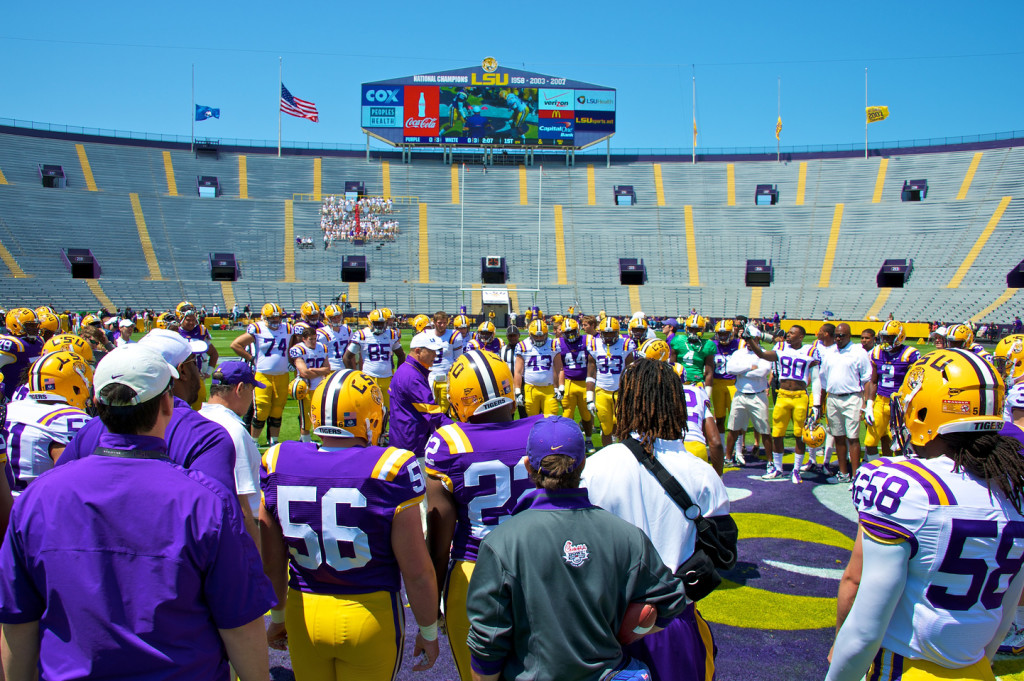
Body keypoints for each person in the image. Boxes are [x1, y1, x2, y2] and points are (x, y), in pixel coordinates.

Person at [0, 343, 275, 680]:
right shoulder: (206, 500)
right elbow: (240, 622)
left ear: (98, 406)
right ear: (167, 404)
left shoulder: (37, 497)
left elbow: (17, 619)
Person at [828, 348, 1024, 681]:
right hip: (976, 668)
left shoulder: (910, 487)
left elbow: (864, 627)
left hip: (906, 667)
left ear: (922, 410)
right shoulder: (1014, 486)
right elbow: (1006, 611)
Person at [466, 415, 690, 681]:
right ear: (582, 464)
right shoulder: (626, 535)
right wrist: (628, 631)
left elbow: (487, 648)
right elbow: (671, 600)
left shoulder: (501, 543)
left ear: (527, 466)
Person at [259, 369, 439, 680]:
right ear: (371, 416)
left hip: (304, 611)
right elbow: (416, 570)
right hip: (369, 613)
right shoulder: (390, 467)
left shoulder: (278, 460)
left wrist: (277, 615)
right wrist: (429, 629)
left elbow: (273, 561)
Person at [583, 359, 734, 680]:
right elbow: (723, 553)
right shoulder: (703, 474)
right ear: (676, 404)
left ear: (626, 401)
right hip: (674, 621)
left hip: (604, 623)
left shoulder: (594, 468)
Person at [424, 350, 541, 681]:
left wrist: (429, 603)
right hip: (542, 567)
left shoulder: (449, 443)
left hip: (476, 571)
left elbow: (438, 541)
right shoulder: (543, 431)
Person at [59, 329, 238, 498]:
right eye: (194, 362)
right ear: (182, 370)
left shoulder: (89, 429)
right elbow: (219, 515)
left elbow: (59, 490)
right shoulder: (206, 436)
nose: (197, 370)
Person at [199, 360, 265, 549]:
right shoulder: (233, 430)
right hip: (238, 528)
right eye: (252, 390)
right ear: (240, 388)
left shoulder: (197, 417)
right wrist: (257, 553)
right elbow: (240, 497)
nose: (252, 397)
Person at [5, 351, 93, 490]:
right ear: (76, 385)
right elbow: (73, 483)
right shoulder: (69, 418)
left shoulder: (9, 408)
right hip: (37, 505)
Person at [746, 324, 820, 480]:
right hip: (783, 395)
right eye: (788, 332)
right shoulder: (780, 347)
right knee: (777, 433)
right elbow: (762, 354)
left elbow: (816, 378)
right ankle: (778, 468)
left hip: (800, 396)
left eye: (792, 333)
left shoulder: (810, 350)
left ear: (801, 337)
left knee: (800, 434)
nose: (788, 335)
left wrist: (817, 403)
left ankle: (796, 470)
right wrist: (749, 340)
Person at [229, 303, 293, 446]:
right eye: (272, 318)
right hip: (262, 374)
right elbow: (236, 345)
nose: (276, 321)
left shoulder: (288, 328)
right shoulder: (257, 328)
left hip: (282, 374)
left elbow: (294, 346)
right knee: (261, 410)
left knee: (277, 409)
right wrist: (251, 358)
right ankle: (254, 441)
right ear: (265, 317)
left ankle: (274, 441)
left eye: (278, 318)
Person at [817, 323, 871, 485]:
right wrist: (820, 404)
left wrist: (867, 403)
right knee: (838, 436)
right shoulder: (830, 352)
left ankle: (855, 476)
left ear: (849, 336)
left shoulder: (858, 352)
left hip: (852, 397)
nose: (838, 338)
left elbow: (867, 379)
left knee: (853, 437)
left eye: (842, 335)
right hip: (833, 397)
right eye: (836, 335)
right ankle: (843, 472)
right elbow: (823, 380)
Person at [862, 320, 920, 460]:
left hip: (899, 404)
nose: (886, 340)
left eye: (890, 337)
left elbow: (915, 383)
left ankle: (900, 470)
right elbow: (874, 381)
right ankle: (877, 469)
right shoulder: (876, 352)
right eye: (884, 337)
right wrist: (869, 404)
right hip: (880, 402)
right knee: (870, 442)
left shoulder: (909, 354)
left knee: (899, 444)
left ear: (899, 337)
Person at [724, 329, 777, 479]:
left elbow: (761, 372)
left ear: (758, 338)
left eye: (752, 338)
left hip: (757, 395)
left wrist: (742, 371)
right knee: (733, 428)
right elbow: (730, 369)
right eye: (747, 338)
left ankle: (770, 461)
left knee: (764, 430)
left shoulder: (764, 353)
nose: (749, 341)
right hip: (740, 394)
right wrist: (749, 367)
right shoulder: (739, 353)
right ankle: (728, 457)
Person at [389, 332, 445, 456]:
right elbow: (433, 413)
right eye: (431, 351)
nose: (435, 355)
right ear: (418, 351)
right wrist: (459, 430)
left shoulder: (407, 369)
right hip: (412, 443)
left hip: (404, 437)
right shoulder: (413, 376)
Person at [585, 317, 636, 447]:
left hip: (621, 391)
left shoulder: (626, 344)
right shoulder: (594, 344)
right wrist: (590, 397)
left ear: (617, 332)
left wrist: (632, 393)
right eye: (605, 333)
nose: (607, 336)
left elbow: (631, 372)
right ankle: (607, 452)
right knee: (606, 427)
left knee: (623, 425)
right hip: (601, 389)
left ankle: (624, 452)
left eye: (611, 333)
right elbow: (591, 372)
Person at [344, 309, 405, 409]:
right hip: (369, 378)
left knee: (388, 411)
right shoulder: (362, 335)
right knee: (369, 409)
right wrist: (353, 375)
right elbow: (347, 357)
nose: (380, 326)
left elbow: (401, 355)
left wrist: (398, 374)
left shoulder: (391, 334)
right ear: (370, 323)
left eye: (382, 323)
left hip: (387, 378)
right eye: (377, 323)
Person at [554, 318, 595, 450]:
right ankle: (568, 441)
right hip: (568, 382)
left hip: (584, 382)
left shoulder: (588, 340)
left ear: (578, 330)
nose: (571, 335)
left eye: (573, 332)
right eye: (568, 332)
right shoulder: (558, 343)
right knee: (567, 414)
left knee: (586, 415)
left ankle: (588, 440)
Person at [289, 322, 331, 441]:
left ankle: (324, 440)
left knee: (321, 416)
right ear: (303, 339)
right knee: (306, 418)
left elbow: (328, 369)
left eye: (314, 338)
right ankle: (306, 442)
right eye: (310, 339)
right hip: (305, 387)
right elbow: (304, 372)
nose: (313, 341)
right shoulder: (298, 349)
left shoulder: (322, 347)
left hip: (319, 386)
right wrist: (320, 371)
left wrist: (313, 370)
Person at [514, 320, 562, 418]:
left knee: (551, 418)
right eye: (536, 336)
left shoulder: (553, 344)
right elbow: (518, 371)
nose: (539, 338)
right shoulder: (523, 346)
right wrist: (518, 391)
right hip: (531, 389)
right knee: (532, 420)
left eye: (542, 336)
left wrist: (560, 387)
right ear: (530, 334)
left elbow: (559, 368)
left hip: (549, 388)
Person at [178, 301, 219, 409]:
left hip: (198, 376)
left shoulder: (201, 330)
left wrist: (209, 371)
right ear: (181, 318)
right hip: (179, 378)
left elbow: (213, 353)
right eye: (188, 320)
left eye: (193, 319)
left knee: (199, 408)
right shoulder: (174, 332)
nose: (192, 323)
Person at [0, 308, 44, 400]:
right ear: (15, 326)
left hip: (32, 393)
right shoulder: (13, 344)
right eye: (30, 326)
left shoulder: (39, 341)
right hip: (11, 397)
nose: (35, 329)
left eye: (35, 325)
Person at [424, 311, 464, 414]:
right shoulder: (425, 335)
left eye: (444, 323)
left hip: (446, 377)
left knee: (445, 410)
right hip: (430, 376)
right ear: (434, 322)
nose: (442, 325)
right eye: (439, 322)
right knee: (429, 408)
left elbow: (458, 359)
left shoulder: (454, 335)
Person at [670, 314, 715, 387]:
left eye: (697, 329)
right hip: (679, 381)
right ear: (686, 328)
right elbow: (672, 365)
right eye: (691, 329)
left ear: (702, 330)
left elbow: (708, 372)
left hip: (697, 382)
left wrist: (708, 392)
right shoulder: (678, 340)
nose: (694, 332)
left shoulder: (708, 345)